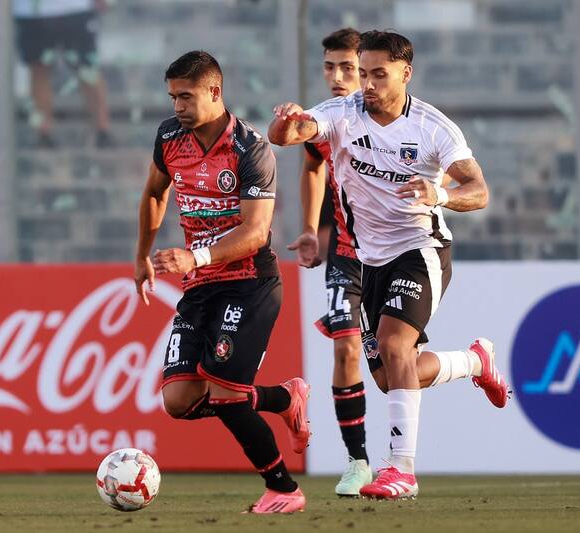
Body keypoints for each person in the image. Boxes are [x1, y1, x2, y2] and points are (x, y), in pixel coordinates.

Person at [269, 30, 508, 500]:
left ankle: (400, 470)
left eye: (379, 74)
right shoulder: (341, 113)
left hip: (421, 250)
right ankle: (474, 361)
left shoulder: (434, 129)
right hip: (366, 260)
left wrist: (438, 193)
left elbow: (479, 191)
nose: (369, 84)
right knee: (390, 375)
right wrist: (287, 122)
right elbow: (291, 136)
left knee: (395, 345)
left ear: (405, 73)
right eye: (364, 73)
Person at [134, 50, 308, 514]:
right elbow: (154, 192)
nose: (176, 107)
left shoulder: (250, 148)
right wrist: (140, 259)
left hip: (250, 282)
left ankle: (284, 489)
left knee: (228, 398)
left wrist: (194, 255)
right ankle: (283, 397)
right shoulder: (169, 137)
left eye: (185, 96)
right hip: (200, 285)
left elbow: (254, 234)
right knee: (178, 400)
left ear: (215, 92)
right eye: (172, 97)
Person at [286, 28, 373, 497]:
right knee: (346, 349)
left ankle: (470, 362)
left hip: (395, 255)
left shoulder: (396, 120)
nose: (337, 77)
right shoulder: (323, 120)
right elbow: (313, 165)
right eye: (329, 67)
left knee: (390, 363)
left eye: (348, 68)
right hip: (345, 251)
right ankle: (357, 461)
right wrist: (310, 229)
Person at [13, 0, 115, 148]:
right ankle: (44, 134)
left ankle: (103, 130)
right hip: (32, 10)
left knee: (86, 68)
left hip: (74, 7)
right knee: (39, 69)